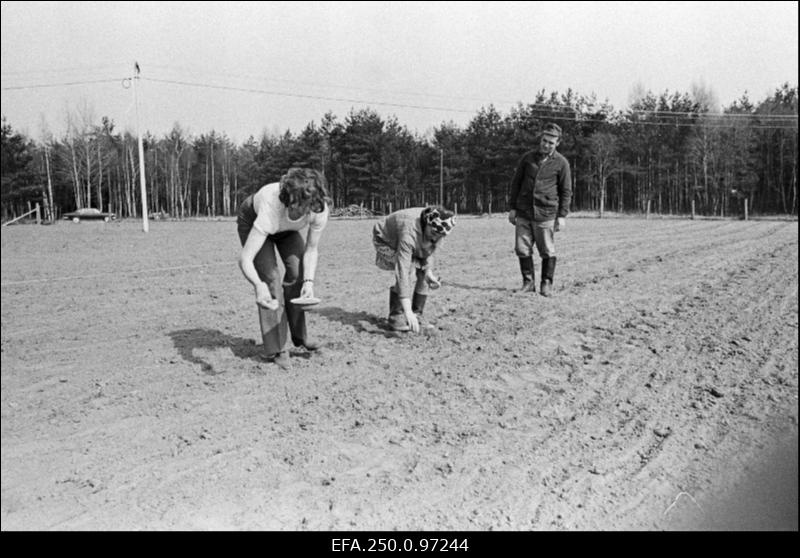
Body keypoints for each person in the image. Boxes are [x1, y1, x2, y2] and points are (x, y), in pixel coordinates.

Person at [237, 167, 330, 369]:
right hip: (254, 219)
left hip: (285, 229)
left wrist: (309, 282)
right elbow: (245, 258)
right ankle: (277, 348)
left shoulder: (317, 209)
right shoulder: (272, 207)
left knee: (298, 272)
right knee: (271, 278)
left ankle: (300, 337)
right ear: (288, 199)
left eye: (306, 207)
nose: (302, 212)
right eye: (297, 206)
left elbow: (311, 249)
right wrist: (258, 285)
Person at [507, 122, 572, 296]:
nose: (546, 145)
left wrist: (562, 215)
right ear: (540, 139)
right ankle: (528, 283)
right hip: (524, 212)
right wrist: (512, 207)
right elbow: (516, 184)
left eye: (551, 142)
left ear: (557, 143)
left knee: (547, 250)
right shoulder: (527, 159)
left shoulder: (562, 163)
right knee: (522, 249)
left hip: (546, 214)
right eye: (544, 140)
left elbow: (566, 191)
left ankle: (546, 284)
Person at [372, 206, 455, 333]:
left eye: (440, 236)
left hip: (415, 237)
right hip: (386, 239)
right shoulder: (409, 232)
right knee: (409, 268)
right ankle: (396, 316)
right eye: (433, 233)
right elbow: (402, 271)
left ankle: (418, 314)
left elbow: (429, 251)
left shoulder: (437, 233)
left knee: (423, 273)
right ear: (426, 224)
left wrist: (428, 272)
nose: (435, 238)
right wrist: (408, 311)